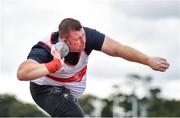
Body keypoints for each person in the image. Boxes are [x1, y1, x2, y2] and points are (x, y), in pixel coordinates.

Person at [17, 18, 169, 117]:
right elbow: (22, 73)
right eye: (77, 39)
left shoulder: (88, 36)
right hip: (45, 90)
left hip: (67, 91)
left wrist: (148, 60)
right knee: (74, 115)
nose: (83, 41)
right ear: (64, 41)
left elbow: (118, 49)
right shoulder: (45, 48)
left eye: (83, 35)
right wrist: (52, 65)